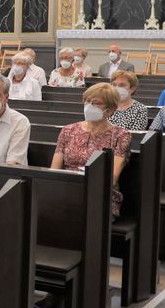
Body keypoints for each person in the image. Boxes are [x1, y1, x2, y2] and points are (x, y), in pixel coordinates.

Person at [51, 83, 131, 216]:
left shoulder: (120, 135)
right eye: (87, 101)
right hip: (67, 190)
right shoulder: (68, 130)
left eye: (96, 103)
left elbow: (112, 177)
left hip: (100, 194)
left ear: (110, 110)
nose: (89, 106)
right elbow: (54, 170)